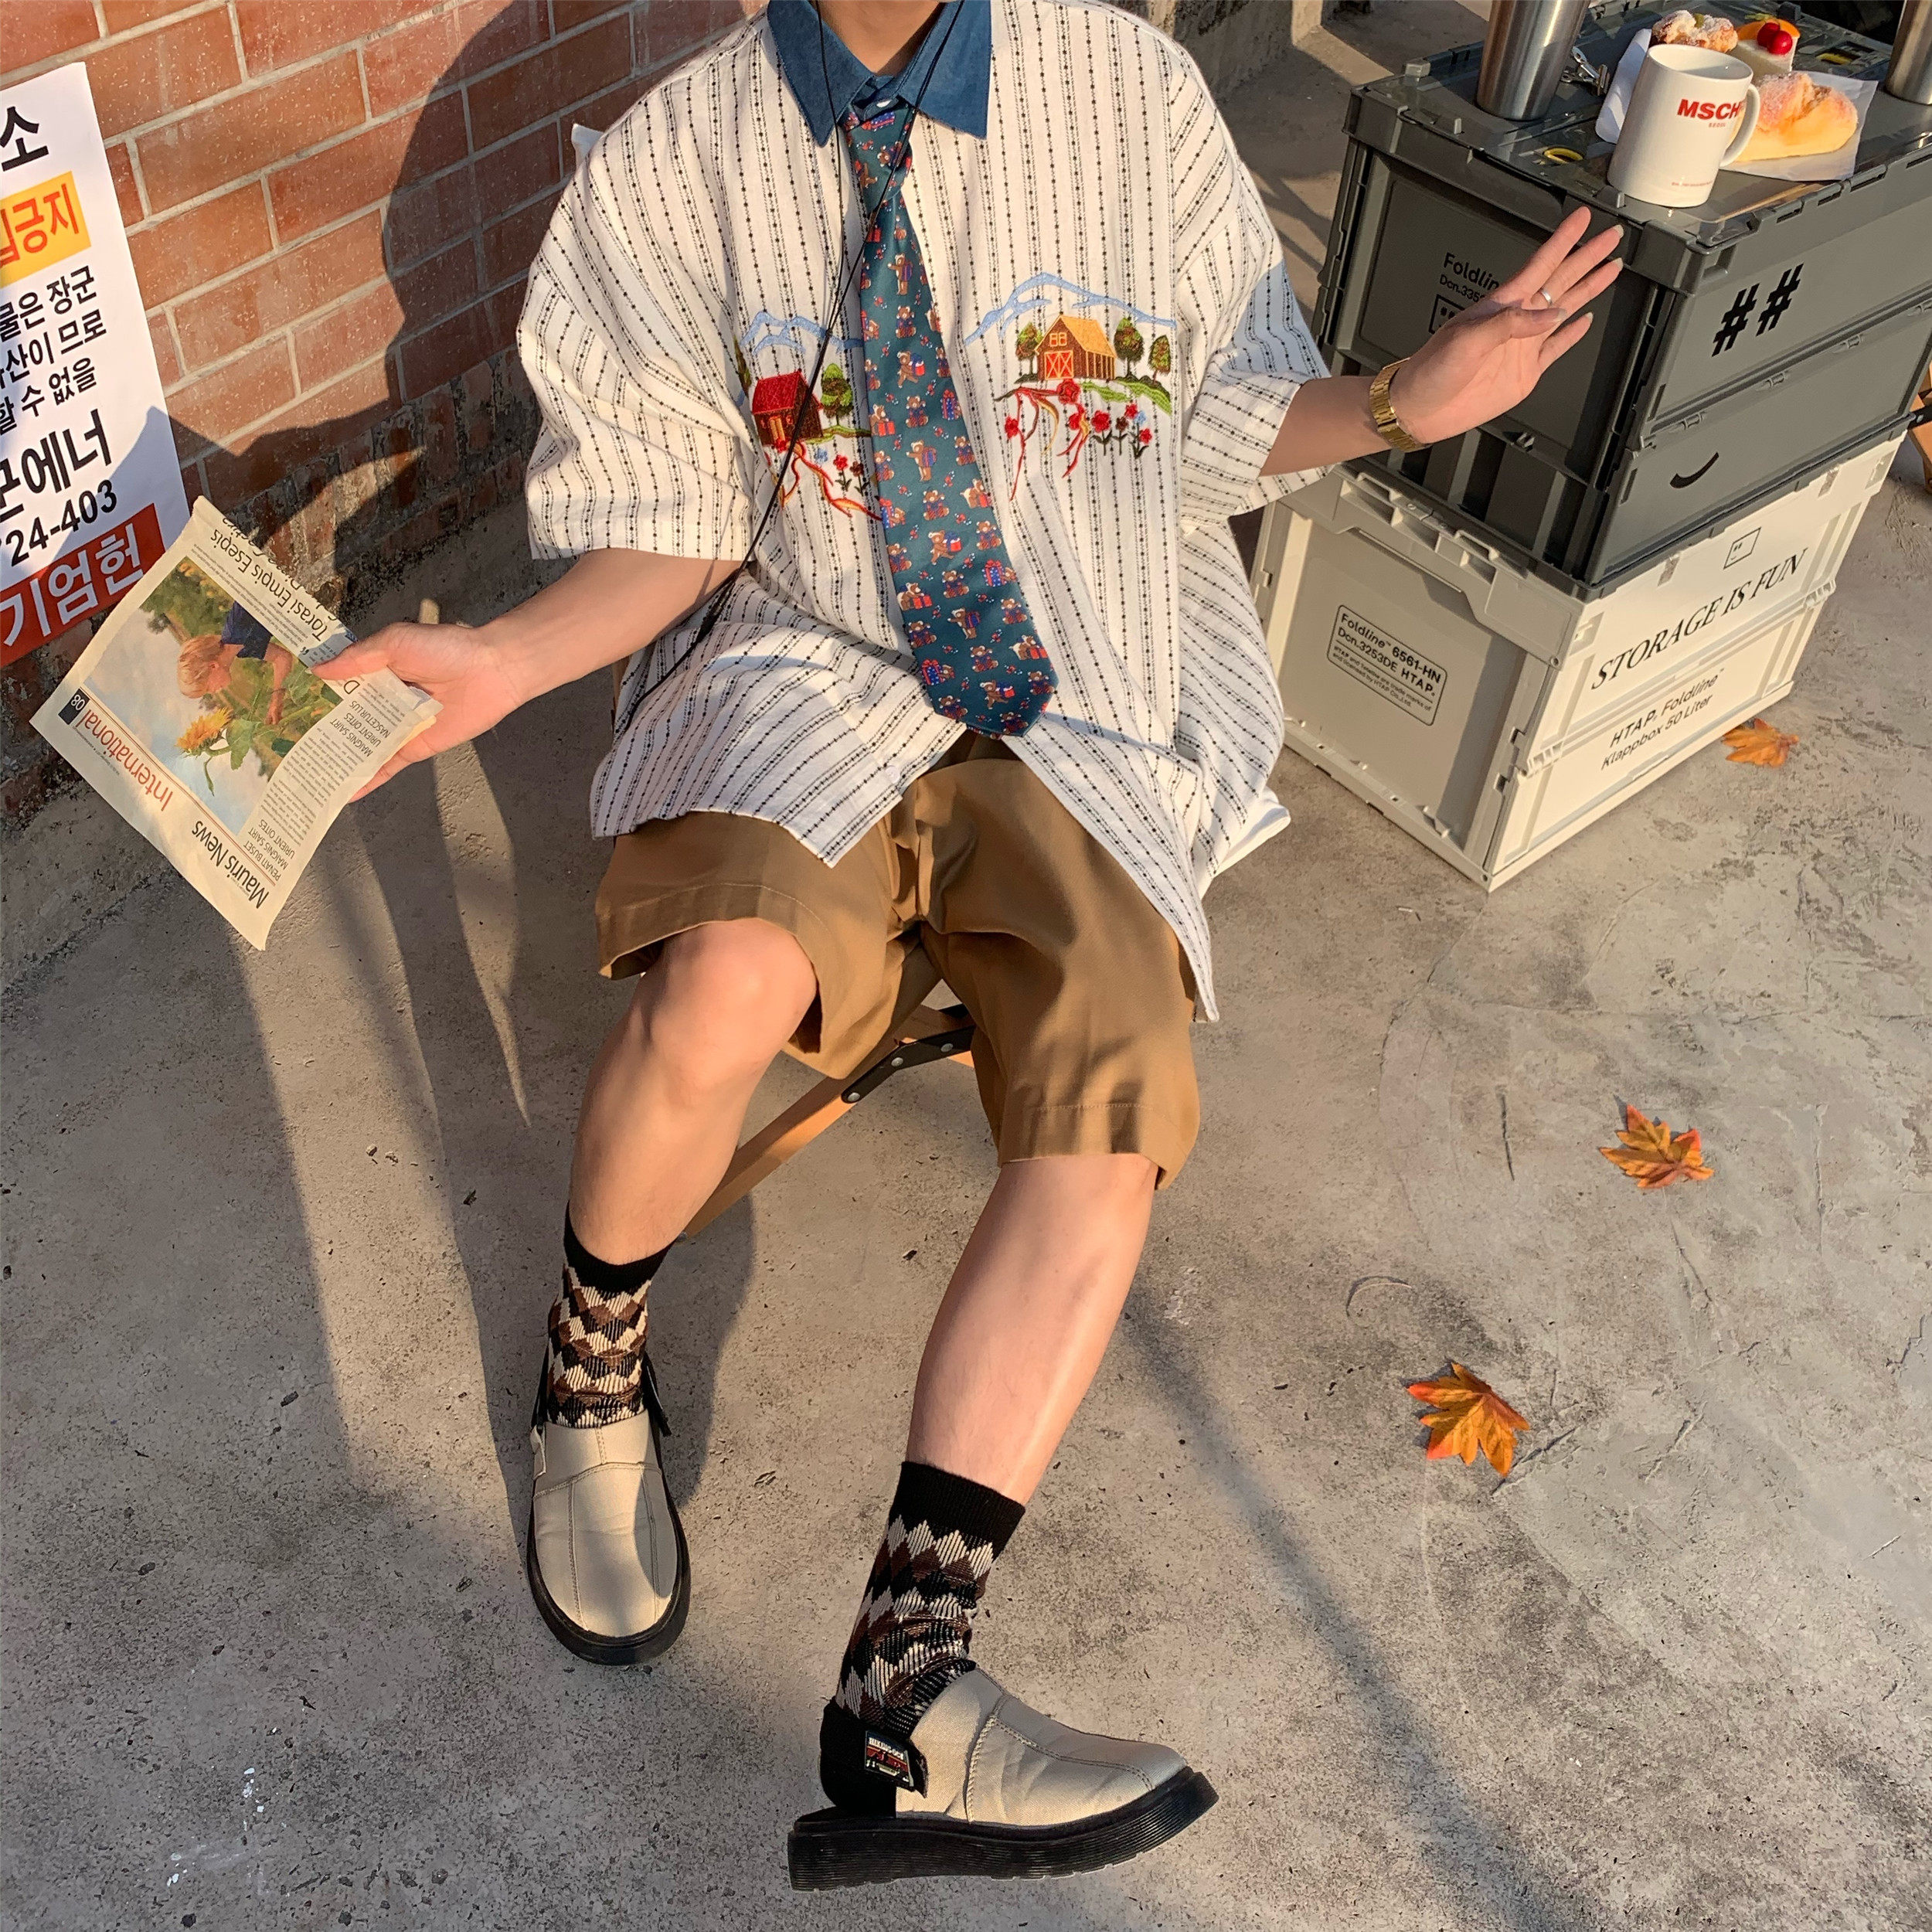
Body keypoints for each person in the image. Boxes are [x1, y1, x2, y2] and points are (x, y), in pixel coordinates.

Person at [325, 0, 1621, 1890]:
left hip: (1073, 677)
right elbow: (678, 515)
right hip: (806, 659)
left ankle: (903, 1684)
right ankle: (591, 1363)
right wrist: (503, 661)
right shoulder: (678, 161)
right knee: (726, 983)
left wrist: (1408, 397)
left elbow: (1211, 417)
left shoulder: (1127, 92)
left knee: (1112, 1103)